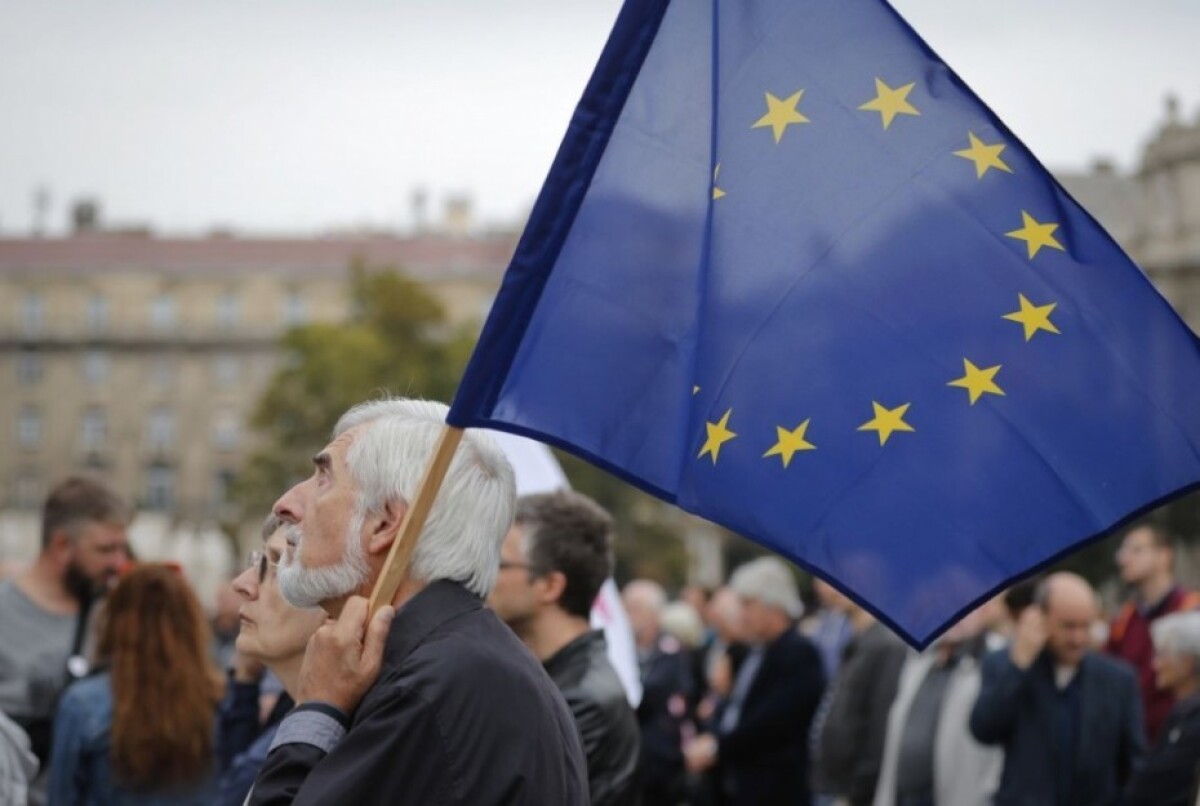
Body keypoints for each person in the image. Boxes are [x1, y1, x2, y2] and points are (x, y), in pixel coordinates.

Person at [251, 398, 587, 805]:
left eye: (324, 477)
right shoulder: (452, 663)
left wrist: (316, 710)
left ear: (385, 524)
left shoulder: (427, 688)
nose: (285, 504)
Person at [488, 490, 640, 806]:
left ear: (549, 586)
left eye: (500, 563)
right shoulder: (555, 678)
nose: (485, 572)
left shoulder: (583, 700)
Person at [48, 563, 225, 804]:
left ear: (114, 621)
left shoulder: (83, 704)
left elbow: (62, 797)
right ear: (191, 623)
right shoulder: (220, 698)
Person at [970, 572, 1145, 805]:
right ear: (1039, 618)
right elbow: (983, 729)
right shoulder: (1006, 664)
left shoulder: (1118, 679)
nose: (1078, 638)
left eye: (1086, 626)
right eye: (1068, 626)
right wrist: (1020, 664)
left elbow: (1134, 765)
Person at [0, 476, 129, 777]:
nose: (119, 563)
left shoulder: (113, 616)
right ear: (61, 546)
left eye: (123, 549)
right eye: (106, 549)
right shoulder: (6, 613)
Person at [684, 557, 826, 805]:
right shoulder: (756, 650)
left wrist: (718, 747)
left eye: (748, 604)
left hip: (775, 791)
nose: (742, 614)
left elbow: (772, 722)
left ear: (773, 607)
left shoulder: (799, 653)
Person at [217, 515, 326, 806]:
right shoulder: (289, 709)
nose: (242, 584)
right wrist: (245, 680)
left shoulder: (339, 744)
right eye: (257, 562)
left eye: (277, 563)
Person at [873, 609, 1001, 806]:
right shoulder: (919, 656)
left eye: (966, 607)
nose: (955, 614)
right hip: (903, 795)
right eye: (948, 605)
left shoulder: (993, 660)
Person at [1107, 521, 1200, 743]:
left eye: (1136, 550)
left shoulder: (1191, 611)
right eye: (1123, 551)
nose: (1124, 559)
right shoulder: (1124, 622)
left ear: (1164, 555)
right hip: (1135, 745)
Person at [812, 589, 907, 806]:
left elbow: (879, 729)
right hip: (837, 785)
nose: (832, 588)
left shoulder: (885, 645)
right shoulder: (856, 643)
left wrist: (856, 793)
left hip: (858, 792)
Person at [624, 578, 696, 804]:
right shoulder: (622, 650)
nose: (626, 615)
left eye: (634, 608)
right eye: (624, 607)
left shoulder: (670, 652)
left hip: (660, 766)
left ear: (654, 614)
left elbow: (645, 696)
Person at [1124, 610, 1200, 805]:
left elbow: (1156, 787)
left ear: (1186, 662)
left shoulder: (1193, 722)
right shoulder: (1183, 712)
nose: (1155, 665)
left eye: (1162, 654)